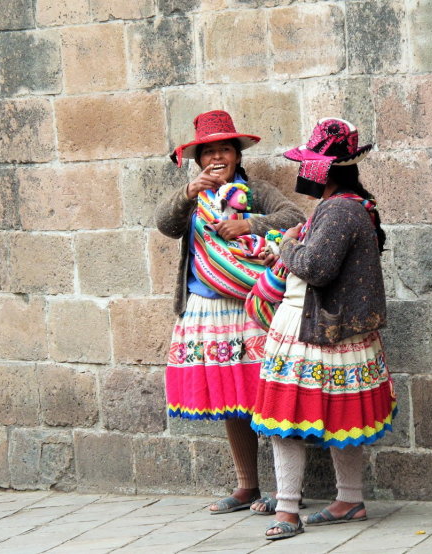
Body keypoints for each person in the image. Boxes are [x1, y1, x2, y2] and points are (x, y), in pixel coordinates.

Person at [249, 118, 397, 539]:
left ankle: (288, 511)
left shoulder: (338, 210)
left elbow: (315, 268)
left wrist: (285, 243)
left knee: (286, 421)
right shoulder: (356, 206)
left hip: (312, 329)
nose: (303, 172)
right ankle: (348, 500)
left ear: (324, 170)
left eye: (308, 165)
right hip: (338, 331)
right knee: (342, 421)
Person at [155, 110, 305, 514]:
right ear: (198, 160)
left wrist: (249, 224)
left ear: (238, 156)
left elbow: (294, 218)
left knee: (268, 392)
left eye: (225, 150)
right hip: (205, 306)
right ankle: (247, 486)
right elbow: (165, 226)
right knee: (230, 396)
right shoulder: (192, 197)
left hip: (251, 304)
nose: (217, 158)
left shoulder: (254, 190)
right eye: (209, 152)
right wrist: (187, 194)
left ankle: (286, 490)